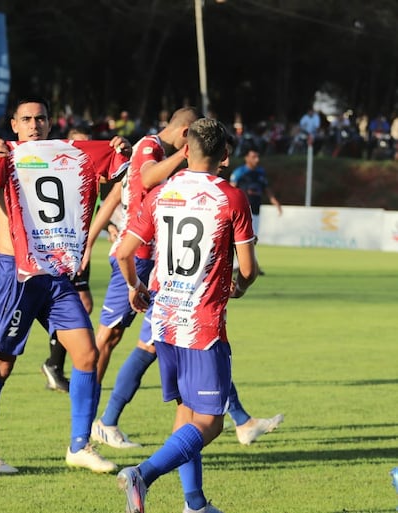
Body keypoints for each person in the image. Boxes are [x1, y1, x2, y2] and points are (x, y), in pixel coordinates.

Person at [0, 96, 131, 474]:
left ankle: (79, 446)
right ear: (14, 125)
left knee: (87, 354)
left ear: (51, 124)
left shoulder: (71, 155)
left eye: (41, 119)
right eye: (26, 119)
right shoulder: (4, 156)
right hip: (16, 276)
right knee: (0, 366)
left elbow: (112, 177)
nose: (34, 125)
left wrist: (119, 150)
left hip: (55, 275)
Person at [92, 130, 284, 450]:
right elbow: (248, 269)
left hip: (162, 289)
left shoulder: (164, 184)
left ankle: (199, 491)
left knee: (185, 393)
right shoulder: (154, 154)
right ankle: (118, 434)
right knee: (149, 352)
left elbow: (119, 195)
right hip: (173, 291)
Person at [116, 118, 258, 513]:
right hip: (203, 327)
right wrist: (240, 288)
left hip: (163, 321)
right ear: (225, 156)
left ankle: (195, 504)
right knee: (210, 423)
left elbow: (124, 253)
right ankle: (142, 473)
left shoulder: (161, 192)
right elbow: (247, 269)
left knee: (186, 413)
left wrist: (135, 287)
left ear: (187, 149)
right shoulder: (232, 197)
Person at [84, 107, 198, 448]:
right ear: (184, 133)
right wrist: (183, 156)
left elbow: (121, 192)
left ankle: (101, 421)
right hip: (136, 256)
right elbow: (146, 179)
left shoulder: (151, 149)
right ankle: (86, 422)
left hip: (151, 257)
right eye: (191, 141)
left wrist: (89, 242)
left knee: (148, 341)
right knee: (105, 338)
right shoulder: (150, 147)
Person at [41, 124, 95, 394]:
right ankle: (54, 365)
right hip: (62, 253)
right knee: (80, 306)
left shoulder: (86, 171)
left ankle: (55, 365)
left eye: (87, 144)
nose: (81, 150)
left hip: (79, 250)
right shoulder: (58, 171)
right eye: (77, 144)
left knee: (80, 308)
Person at [229, 149, 281, 275]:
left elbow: (266, 188)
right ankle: (246, 265)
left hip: (256, 208)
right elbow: (231, 188)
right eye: (253, 157)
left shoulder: (260, 173)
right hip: (243, 209)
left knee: (253, 238)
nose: (256, 159)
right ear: (246, 158)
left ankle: (243, 264)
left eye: (257, 156)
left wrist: (275, 201)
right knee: (246, 237)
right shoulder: (240, 172)